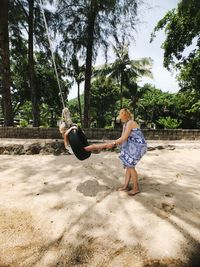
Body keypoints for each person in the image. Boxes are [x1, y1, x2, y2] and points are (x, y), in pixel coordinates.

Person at [105, 108, 147, 196]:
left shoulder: (130, 123)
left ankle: (136, 188)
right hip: (133, 145)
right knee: (128, 165)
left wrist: (113, 143)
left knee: (131, 166)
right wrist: (116, 145)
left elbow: (124, 138)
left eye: (121, 115)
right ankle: (125, 186)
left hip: (138, 146)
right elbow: (122, 138)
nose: (120, 117)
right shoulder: (125, 124)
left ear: (125, 115)